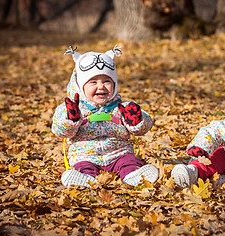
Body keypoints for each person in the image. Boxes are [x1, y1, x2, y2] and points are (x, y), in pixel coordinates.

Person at [52, 45, 158, 187]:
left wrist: (137, 120)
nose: (101, 86)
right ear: (81, 86)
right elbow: (60, 131)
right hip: (85, 156)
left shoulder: (121, 107)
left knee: (129, 161)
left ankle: (133, 175)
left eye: (106, 81)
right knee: (84, 167)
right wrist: (71, 119)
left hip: (119, 153)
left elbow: (142, 129)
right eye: (93, 82)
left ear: (114, 84)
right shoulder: (73, 108)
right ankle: (85, 180)